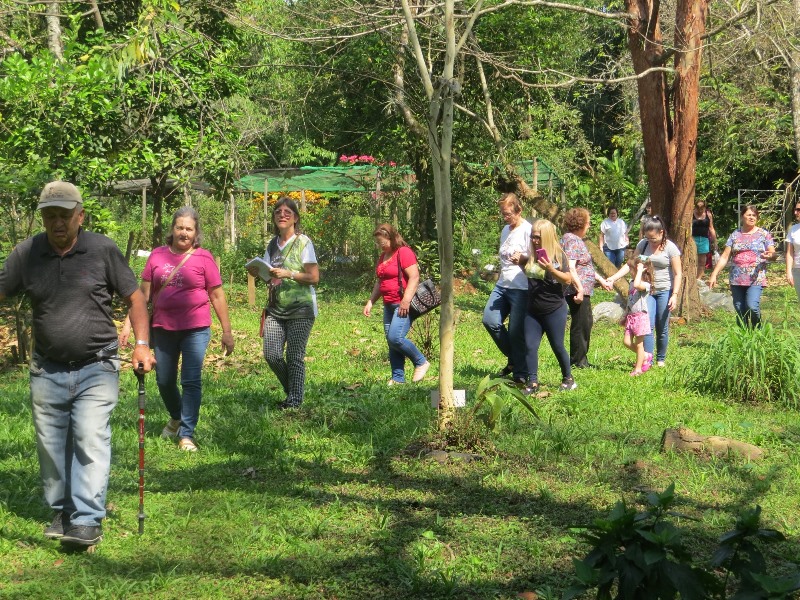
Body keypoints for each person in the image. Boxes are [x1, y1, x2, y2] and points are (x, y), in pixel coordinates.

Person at [0, 181, 155, 548]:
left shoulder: (101, 249)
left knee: (89, 435)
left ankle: (86, 519)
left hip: (96, 363)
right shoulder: (27, 254)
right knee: (51, 445)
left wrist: (141, 345)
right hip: (47, 367)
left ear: (80, 216)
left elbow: (135, 298)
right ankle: (62, 510)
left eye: (64, 216)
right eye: (50, 216)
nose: (57, 223)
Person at [121, 207, 234, 452]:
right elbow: (143, 296)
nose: (184, 233)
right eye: (180, 227)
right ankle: (177, 416)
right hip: (163, 328)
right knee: (164, 380)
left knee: (190, 380)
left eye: (189, 229)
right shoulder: (157, 256)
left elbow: (217, 295)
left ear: (196, 232)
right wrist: (128, 324)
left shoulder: (204, 258)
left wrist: (227, 331)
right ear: (172, 229)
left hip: (196, 328)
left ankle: (186, 434)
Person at [248, 197, 320, 409]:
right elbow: (270, 277)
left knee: (295, 356)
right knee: (271, 355)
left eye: (287, 212)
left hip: (301, 308)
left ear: (295, 218)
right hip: (275, 308)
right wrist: (259, 273)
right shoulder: (272, 244)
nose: (282, 215)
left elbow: (314, 277)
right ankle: (294, 389)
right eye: (278, 212)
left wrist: (289, 273)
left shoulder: (303, 242)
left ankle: (295, 400)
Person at [605, 215, 682, 368]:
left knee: (662, 326)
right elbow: (630, 265)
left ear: (661, 232)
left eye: (653, 238)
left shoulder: (670, 248)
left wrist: (674, 295)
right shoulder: (643, 244)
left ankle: (661, 358)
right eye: (648, 238)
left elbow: (678, 273)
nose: (651, 241)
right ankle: (648, 359)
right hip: (647, 291)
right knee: (647, 325)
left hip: (664, 290)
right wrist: (613, 278)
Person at [363, 224, 430, 385]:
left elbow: (414, 277)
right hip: (388, 305)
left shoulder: (404, 252)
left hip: (402, 304)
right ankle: (398, 378)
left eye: (382, 242)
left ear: (391, 238)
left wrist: (405, 301)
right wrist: (371, 301)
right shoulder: (383, 256)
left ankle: (421, 362)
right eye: (378, 243)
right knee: (391, 342)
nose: (380, 245)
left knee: (395, 338)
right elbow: (380, 282)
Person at [517, 219, 575, 394]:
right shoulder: (533, 254)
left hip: (554, 309)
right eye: (532, 237)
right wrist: (520, 262)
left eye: (537, 237)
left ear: (547, 236)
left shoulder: (558, 256)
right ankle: (532, 383)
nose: (534, 240)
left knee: (557, 346)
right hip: (533, 309)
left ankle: (568, 379)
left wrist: (551, 268)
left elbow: (567, 280)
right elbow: (531, 274)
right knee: (530, 346)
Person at [481, 192, 531, 383]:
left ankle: (520, 374)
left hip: (521, 287)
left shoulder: (528, 230)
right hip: (502, 285)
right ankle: (516, 359)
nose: (505, 217)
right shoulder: (505, 230)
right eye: (503, 213)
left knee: (516, 331)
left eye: (508, 213)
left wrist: (523, 258)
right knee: (490, 320)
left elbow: (537, 259)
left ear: (519, 210)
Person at [708, 205, 776, 328]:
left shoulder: (764, 234)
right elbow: (725, 257)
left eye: (754, 215)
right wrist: (714, 274)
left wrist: (770, 255)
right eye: (749, 215)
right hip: (737, 279)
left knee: (752, 306)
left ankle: (757, 331)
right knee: (739, 309)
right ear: (742, 216)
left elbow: (773, 253)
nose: (752, 217)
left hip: (755, 278)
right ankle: (743, 334)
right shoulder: (735, 234)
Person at [561, 207, 608, 369]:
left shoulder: (572, 239)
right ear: (580, 224)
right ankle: (578, 361)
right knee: (581, 324)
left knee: (585, 321)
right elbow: (571, 267)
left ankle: (580, 358)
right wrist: (580, 289)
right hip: (576, 290)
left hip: (580, 288)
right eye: (588, 223)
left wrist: (601, 280)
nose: (589, 226)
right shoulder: (573, 240)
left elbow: (584, 266)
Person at [622, 258, 654, 376]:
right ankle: (645, 355)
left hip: (640, 317)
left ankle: (638, 369)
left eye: (632, 269)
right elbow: (630, 301)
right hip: (631, 317)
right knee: (626, 342)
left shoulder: (646, 285)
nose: (630, 271)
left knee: (639, 344)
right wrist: (625, 315)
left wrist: (640, 270)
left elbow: (637, 285)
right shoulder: (631, 282)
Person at [692, 200, 717, 280]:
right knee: (692, 260)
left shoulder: (708, 214)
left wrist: (714, 241)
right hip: (693, 239)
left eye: (701, 208)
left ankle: (698, 279)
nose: (700, 210)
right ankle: (692, 278)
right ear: (695, 207)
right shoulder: (691, 213)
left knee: (702, 262)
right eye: (698, 208)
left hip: (704, 240)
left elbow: (711, 228)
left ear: (705, 207)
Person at [785, 201, 800, 303]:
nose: (795, 212)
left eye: (798, 210)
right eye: (795, 210)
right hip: (797, 270)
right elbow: (789, 253)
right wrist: (789, 272)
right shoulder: (793, 229)